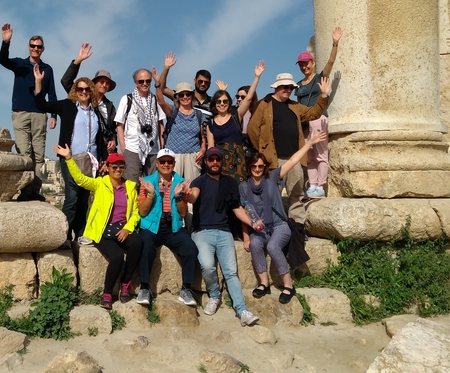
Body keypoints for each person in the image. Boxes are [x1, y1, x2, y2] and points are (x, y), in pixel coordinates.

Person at [240, 131, 327, 304]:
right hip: (260, 228)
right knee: (256, 244)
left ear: (265, 167)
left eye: (260, 166)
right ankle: (264, 284)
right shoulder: (243, 186)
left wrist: (309, 144)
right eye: (254, 167)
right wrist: (246, 237)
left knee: (273, 246)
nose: (257, 169)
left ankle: (288, 285)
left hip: (279, 225)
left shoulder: (272, 177)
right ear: (249, 168)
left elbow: (293, 161)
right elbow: (244, 211)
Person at [54, 144, 142, 309]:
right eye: (114, 166)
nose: (117, 169)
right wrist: (68, 158)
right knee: (116, 257)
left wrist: (128, 228)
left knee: (137, 243)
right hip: (101, 231)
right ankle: (107, 292)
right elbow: (80, 179)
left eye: (121, 166)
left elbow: (135, 212)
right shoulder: (100, 184)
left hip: (122, 229)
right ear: (107, 167)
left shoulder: (130, 186)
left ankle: (126, 282)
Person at [184, 147, 260, 326]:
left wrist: (252, 223)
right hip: (202, 231)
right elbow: (193, 196)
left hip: (224, 231)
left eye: (218, 159)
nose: (215, 162)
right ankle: (215, 295)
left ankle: (242, 310)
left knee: (231, 273)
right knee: (208, 265)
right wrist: (187, 195)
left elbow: (236, 208)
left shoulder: (230, 183)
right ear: (206, 162)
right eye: (211, 159)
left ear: (222, 162)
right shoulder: (199, 181)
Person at [34, 64, 107, 244]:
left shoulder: (96, 111)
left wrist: (103, 159)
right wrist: (38, 82)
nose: (83, 92)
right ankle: (64, 236)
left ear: (91, 91)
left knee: (83, 200)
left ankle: (80, 234)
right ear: (75, 91)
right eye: (79, 89)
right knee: (72, 198)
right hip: (70, 158)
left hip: (90, 161)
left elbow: (100, 137)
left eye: (86, 89)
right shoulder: (68, 106)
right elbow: (41, 103)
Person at [247, 73, 330, 225]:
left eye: (291, 87)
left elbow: (313, 113)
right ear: (277, 87)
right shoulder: (264, 104)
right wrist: (261, 149)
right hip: (273, 159)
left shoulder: (294, 106)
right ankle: (271, 227)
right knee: (272, 194)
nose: (288, 90)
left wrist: (323, 95)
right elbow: (252, 129)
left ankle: (297, 227)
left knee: (296, 194)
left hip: (293, 158)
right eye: (285, 87)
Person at [0, 23, 57, 201]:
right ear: (28, 47)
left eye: (39, 46)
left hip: (40, 114)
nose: (36, 49)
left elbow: (52, 94)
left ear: (43, 49)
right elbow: (3, 60)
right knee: (25, 153)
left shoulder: (48, 69)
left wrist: (54, 115)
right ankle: (25, 190)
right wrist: (6, 42)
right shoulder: (20, 64)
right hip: (20, 113)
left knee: (39, 156)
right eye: (33, 46)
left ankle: (34, 191)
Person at [136, 148, 199, 307]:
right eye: (162, 161)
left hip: (173, 226)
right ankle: (144, 287)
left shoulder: (180, 182)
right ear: (156, 164)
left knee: (190, 248)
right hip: (151, 226)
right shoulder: (147, 181)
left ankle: (186, 288)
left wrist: (178, 196)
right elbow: (142, 212)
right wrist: (150, 194)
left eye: (169, 162)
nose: (166, 164)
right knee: (146, 245)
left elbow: (184, 213)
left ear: (174, 164)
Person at [296, 27, 343, 198]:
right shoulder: (298, 84)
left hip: (319, 119)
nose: (304, 67)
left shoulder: (319, 78)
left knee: (321, 154)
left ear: (313, 63)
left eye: (306, 63)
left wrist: (335, 44)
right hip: (305, 122)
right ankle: (313, 184)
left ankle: (321, 185)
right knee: (309, 156)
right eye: (301, 65)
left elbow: (330, 63)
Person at [206, 62, 264, 185]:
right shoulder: (210, 123)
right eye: (219, 101)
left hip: (238, 158)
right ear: (214, 104)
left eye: (225, 101)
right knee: (222, 189)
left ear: (229, 102)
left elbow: (248, 98)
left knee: (240, 188)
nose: (222, 103)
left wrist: (257, 77)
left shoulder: (236, 116)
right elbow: (211, 147)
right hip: (220, 158)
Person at [152, 58, 206, 182]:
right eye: (181, 95)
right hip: (174, 155)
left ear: (192, 95)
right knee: (173, 189)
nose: (185, 97)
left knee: (191, 189)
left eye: (188, 94)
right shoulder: (173, 111)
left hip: (193, 156)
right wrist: (159, 80)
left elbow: (202, 137)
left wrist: (203, 149)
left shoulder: (198, 114)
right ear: (177, 97)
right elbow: (160, 101)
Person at [60, 43, 118, 157]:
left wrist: (113, 139)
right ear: (94, 83)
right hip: (82, 153)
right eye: (101, 81)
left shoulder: (110, 106)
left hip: (103, 152)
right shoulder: (83, 97)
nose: (104, 85)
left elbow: (113, 128)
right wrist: (78, 60)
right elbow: (65, 81)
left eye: (107, 83)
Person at [115, 69, 167, 183]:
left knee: (153, 186)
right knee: (131, 185)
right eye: (141, 81)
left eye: (148, 81)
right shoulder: (127, 99)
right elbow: (119, 126)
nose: (144, 84)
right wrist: (124, 149)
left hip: (152, 150)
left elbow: (160, 124)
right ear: (135, 82)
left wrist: (162, 148)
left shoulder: (155, 100)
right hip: (132, 149)